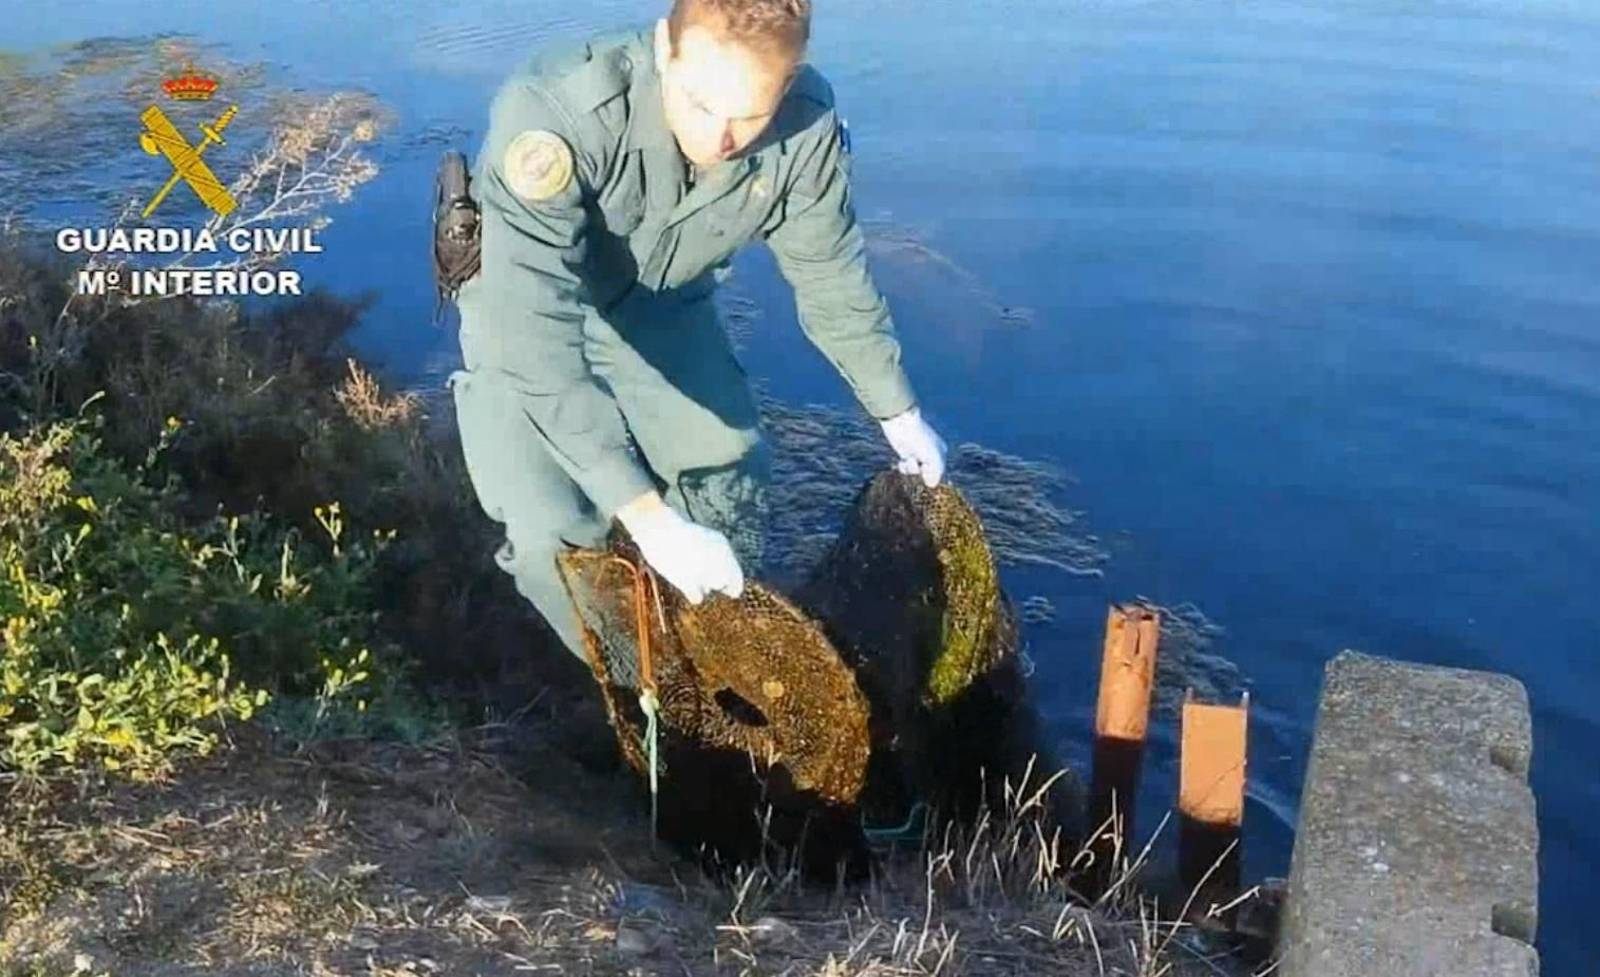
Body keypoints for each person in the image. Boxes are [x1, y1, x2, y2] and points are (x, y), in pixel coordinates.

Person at [449, 0, 948, 660]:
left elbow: (829, 273)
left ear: (789, 83)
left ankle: (705, 648)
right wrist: (647, 517)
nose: (720, 140)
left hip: (658, 303)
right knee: (551, 532)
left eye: (748, 117)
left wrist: (896, 409)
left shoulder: (807, 124)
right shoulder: (554, 115)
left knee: (730, 472)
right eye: (701, 104)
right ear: (666, 50)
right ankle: (629, 686)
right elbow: (534, 342)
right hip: (526, 309)